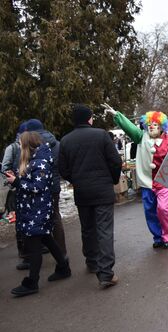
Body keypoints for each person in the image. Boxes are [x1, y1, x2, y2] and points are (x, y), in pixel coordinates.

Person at [103, 104, 168, 249]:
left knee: (163, 209)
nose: (152, 127)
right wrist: (117, 115)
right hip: (147, 183)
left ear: (161, 126)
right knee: (150, 211)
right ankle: (158, 237)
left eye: (155, 124)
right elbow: (130, 127)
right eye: (149, 124)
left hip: (164, 182)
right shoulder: (141, 137)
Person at [58, 104, 122, 288]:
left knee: (87, 228)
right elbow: (115, 161)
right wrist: (112, 179)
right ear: (89, 119)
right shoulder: (101, 135)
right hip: (102, 189)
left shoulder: (66, 140)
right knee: (104, 230)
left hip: (82, 191)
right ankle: (106, 273)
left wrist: (76, 179)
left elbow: (63, 169)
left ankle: (92, 261)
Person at [6, 131, 71, 297]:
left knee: (35, 245)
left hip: (37, 209)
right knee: (46, 238)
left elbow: (37, 186)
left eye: (20, 144)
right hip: (34, 209)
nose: (19, 147)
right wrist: (16, 177)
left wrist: (18, 182)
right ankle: (63, 267)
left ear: (27, 145)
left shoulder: (40, 161)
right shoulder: (35, 160)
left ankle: (32, 283)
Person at [23, 119, 68, 260]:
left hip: (36, 187)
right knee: (55, 216)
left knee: (37, 218)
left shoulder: (31, 143)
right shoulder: (56, 143)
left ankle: (37, 256)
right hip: (54, 185)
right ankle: (61, 252)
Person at [2, 122, 27, 268]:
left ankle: (33, 247)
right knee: (20, 219)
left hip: (29, 187)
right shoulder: (12, 148)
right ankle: (22, 249)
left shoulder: (30, 147)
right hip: (16, 189)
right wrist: (12, 178)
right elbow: (5, 167)